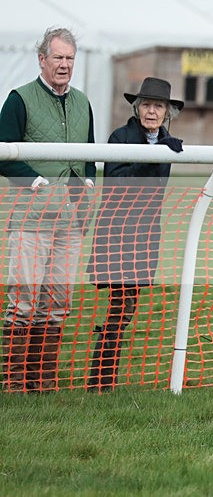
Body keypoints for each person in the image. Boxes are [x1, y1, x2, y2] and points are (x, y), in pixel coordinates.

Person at [0, 27, 96, 393]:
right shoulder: (19, 100)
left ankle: (43, 380)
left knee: (57, 302)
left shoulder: (83, 102)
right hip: (30, 218)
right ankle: (14, 382)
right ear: (42, 59)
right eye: (58, 57)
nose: (64, 64)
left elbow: (89, 155)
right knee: (23, 300)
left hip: (71, 221)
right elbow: (3, 153)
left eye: (70, 58)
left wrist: (89, 182)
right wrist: (36, 182)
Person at [85, 77, 183, 392]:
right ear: (137, 108)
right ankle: (101, 380)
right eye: (146, 105)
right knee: (120, 305)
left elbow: (158, 191)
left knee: (126, 308)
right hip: (117, 234)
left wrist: (162, 153)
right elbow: (116, 181)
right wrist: (152, 156)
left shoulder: (168, 141)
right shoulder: (120, 137)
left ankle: (103, 379)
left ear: (167, 111)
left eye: (158, 106)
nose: (151, 111)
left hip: (146, 235)